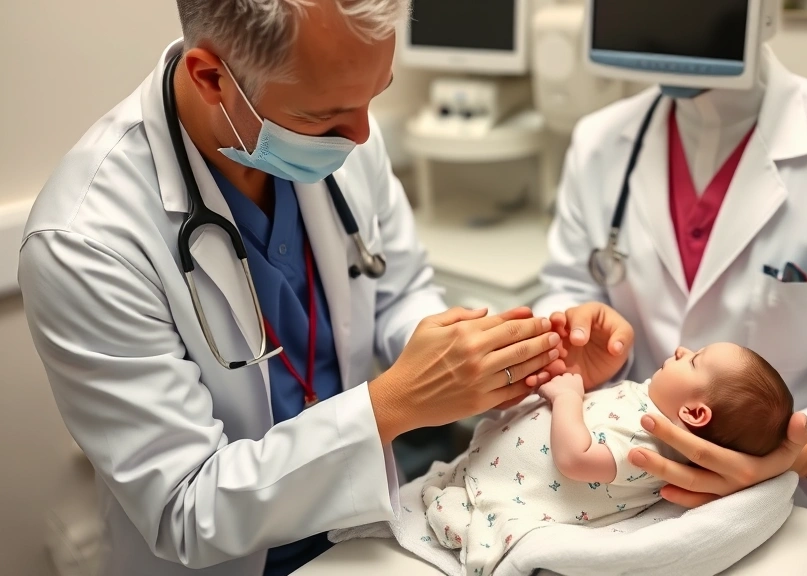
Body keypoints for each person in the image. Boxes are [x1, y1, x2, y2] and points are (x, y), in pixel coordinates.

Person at [17, 1, 564, 575]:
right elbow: (185, 508)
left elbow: (399, 293)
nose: (361, 134)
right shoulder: (85, 240)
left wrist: (497, 356)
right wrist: (392, 404)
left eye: (375, 95)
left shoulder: (343, 126)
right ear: (211, 77)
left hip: (368, 535)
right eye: (323, 116)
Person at [530, 10, 807, 530]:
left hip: (787, 509)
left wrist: (795, 454)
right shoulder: (599, 140)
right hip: (616, 490)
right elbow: (565, 289)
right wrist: (576, 334)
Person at [419, 343, 793, 576]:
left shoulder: (649, 446)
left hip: (512, 491)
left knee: (478, 517)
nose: (681, 349)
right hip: (486, 462)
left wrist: (567, 399)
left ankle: (466, 509)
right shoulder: (648, 398)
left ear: (695, 414)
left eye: (695, 361)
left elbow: (576, 459)